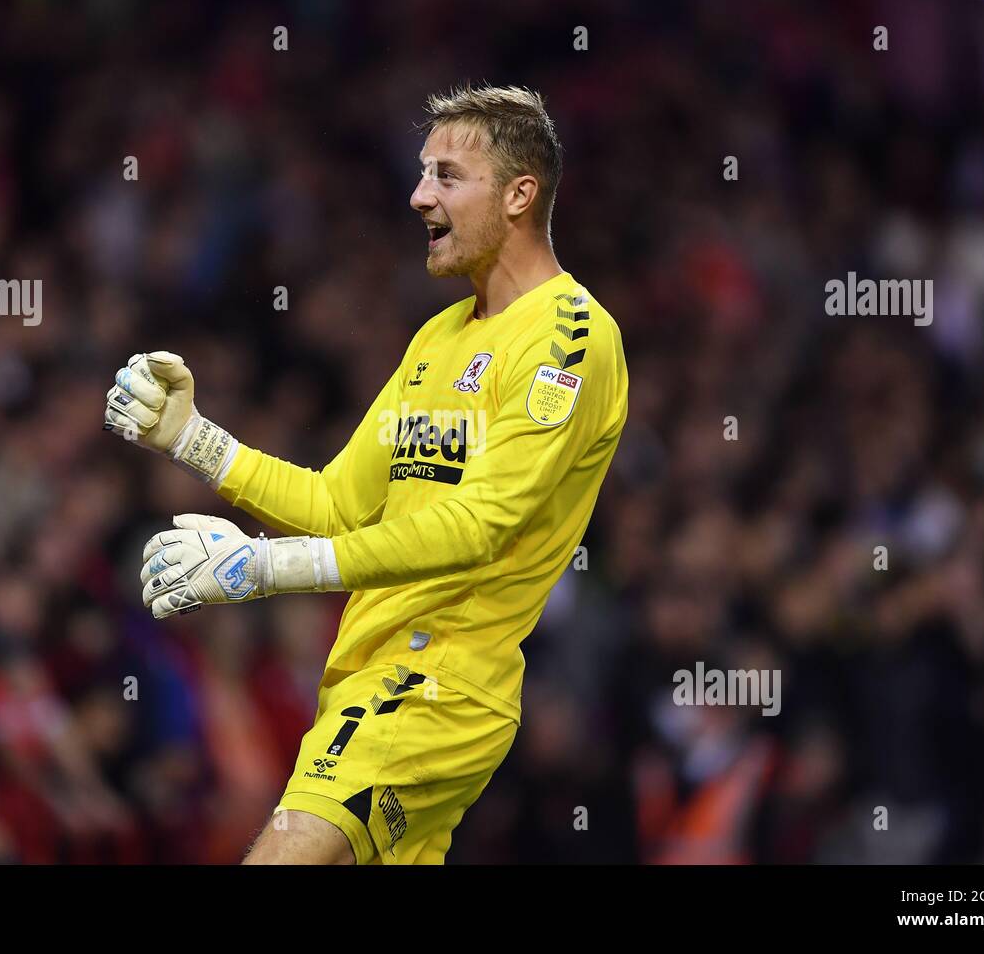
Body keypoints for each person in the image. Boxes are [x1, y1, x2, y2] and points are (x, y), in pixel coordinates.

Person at [103, 84, 628, 864]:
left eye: (448, 176)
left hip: (437, 681)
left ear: (521, 194)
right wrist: (193, 439)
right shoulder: (438, 337)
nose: (419, 196)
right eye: (422, 174)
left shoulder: (570, 336)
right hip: (364, 675)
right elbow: (339, 504)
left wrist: (265, 568)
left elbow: (480, 526)